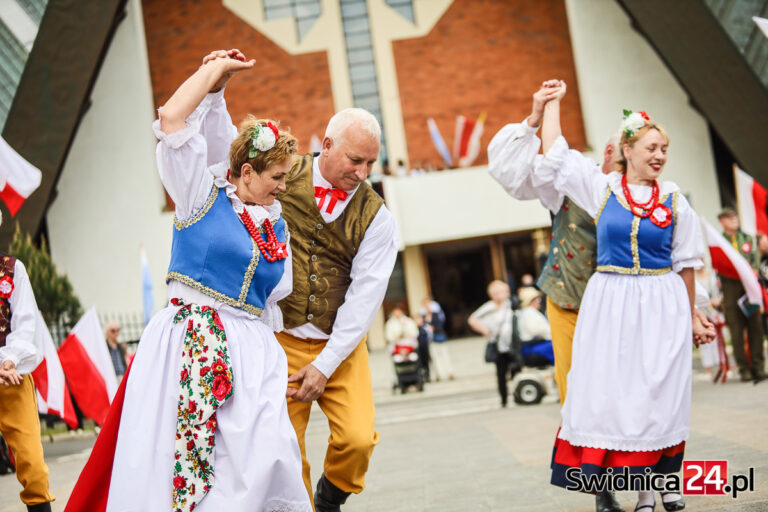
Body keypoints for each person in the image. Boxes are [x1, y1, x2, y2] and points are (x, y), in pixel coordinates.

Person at [66, 50, 311, 512]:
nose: (283, 186)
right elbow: (174, 119)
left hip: (254, 350)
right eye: (277, 176)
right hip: (195, 339)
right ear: (246, 172)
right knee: (186, 459)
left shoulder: (275, 224)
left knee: (268, 458)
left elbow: (274, 297)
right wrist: (211, 75)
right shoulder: (201, 194)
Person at [538, 81, 715, 512]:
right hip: (611, 304)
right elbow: (556, 154)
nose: (658, 156)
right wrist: (552, 104)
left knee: (662, 392)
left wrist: (692, 315)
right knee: (622, 396)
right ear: (628, 150)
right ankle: (641, 488)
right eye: (651, 148)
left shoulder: (673, 199)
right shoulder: (602, 190)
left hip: (661, 301)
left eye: (664, 150)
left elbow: (687, 263)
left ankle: (663, 482)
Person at [272, 106, 399, 508]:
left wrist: (326, 364)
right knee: (286, 451)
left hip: (340, 344)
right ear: (326, 145)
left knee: (357, 439)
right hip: (280, 339)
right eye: (355, 160)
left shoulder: (377, 218)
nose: (363, 173)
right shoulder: (278, 178)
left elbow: (364, 300)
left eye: (370, 163)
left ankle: (331, 496)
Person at [487, 80, 621, 406]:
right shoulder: (571, 176)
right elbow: (511, 172)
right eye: (632, 153)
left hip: (618, 304)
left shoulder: (647, 196)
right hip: (568, 299)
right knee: (576, 391)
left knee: (619, 390)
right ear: (610, 152)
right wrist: (538, 115)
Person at [0, 249, 55, 512]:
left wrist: (9, 360)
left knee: (33, 468)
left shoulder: (12, 269)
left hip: (12, 378)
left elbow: (26, 324)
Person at [718, 208, 766, 383]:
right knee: (736, 329)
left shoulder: (747, 238)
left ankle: (759, 367)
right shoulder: (719, 241)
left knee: (756, 327)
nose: (733, 220)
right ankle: (744, 369)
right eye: (729, 218)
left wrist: (753, 270)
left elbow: (754, 259)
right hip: (730, 286)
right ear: (721, 221)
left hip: (749, 285)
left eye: (734, 217)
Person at [468, 280, 516, 407]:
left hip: (512, 343)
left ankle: (518, 394)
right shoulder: (489, 307)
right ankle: (504, 399)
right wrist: (485, 330)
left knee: (517, 368)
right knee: (501, 373)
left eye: (501, 292)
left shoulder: (511, 304)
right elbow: (472, 319)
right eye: (495, 293)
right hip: (498, 345)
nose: (499, 295)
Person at [516, 287, 555, 366]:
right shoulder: (528, 312)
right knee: (559, 347)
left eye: (538, 298)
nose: (539, 301)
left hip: (536, 344)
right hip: (532, 348)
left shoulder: (531, 311)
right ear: (529, 301)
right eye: (535, 299)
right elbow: (535, 330)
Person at [421, 297, 453, 381]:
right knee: (434, 357)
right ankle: (439, 374)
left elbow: (441, 323)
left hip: (439, 336)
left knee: (444, 355)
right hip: (430, 339)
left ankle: (449, 372)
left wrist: (434, 327)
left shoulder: (436, 313)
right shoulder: (424, 316)